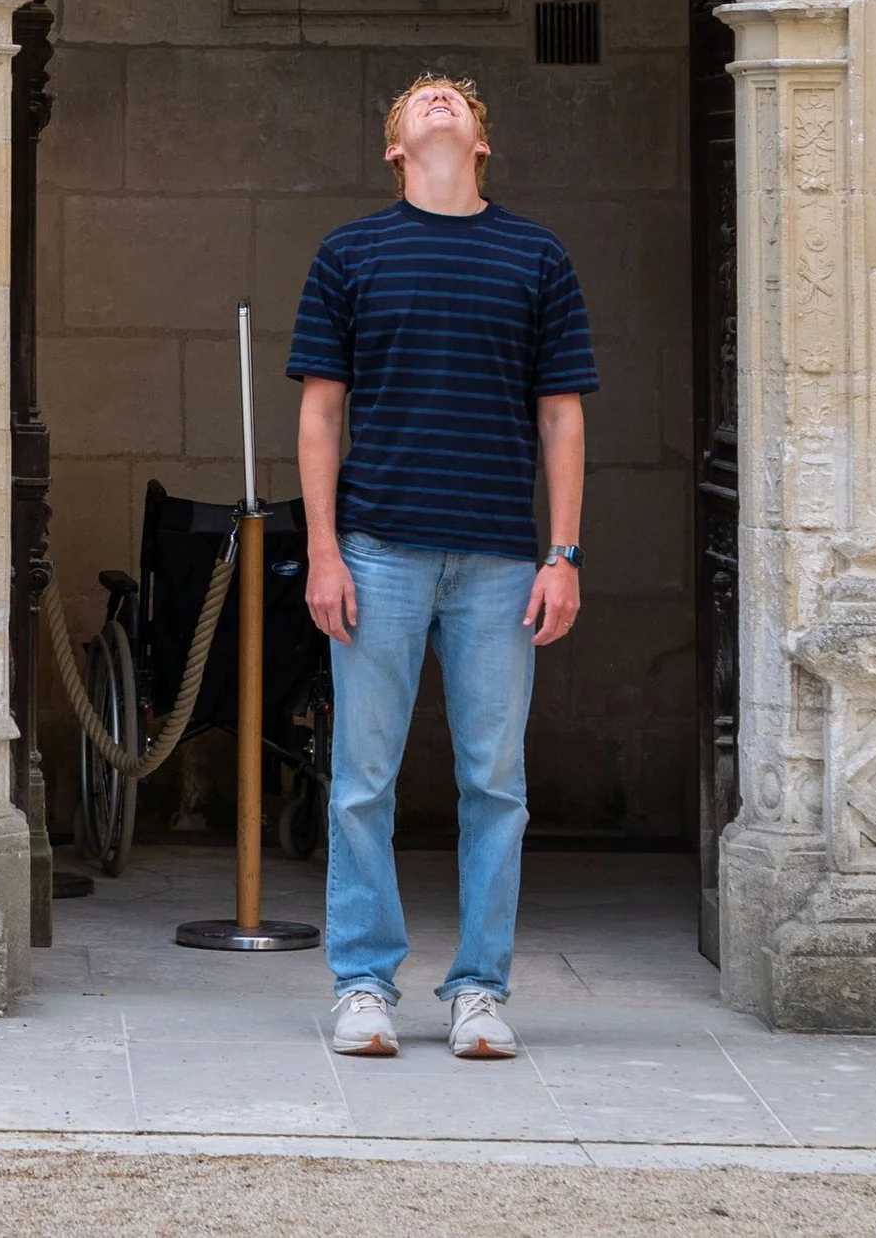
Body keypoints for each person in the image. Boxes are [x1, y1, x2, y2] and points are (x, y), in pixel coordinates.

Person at [286, 71, 595, 1065]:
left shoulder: (535, 254)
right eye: (419, 95)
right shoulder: (349, 252)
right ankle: (364, 982)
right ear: (393, 145)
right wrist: (323, 550)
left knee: (494, 783)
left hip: (503, 560)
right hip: (374, 550)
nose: (438, 96)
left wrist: (564, 552)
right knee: (359, 781)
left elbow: (561, 413)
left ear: (479, 139)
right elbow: (319, 413)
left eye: (456, 94)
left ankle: (479, 988)